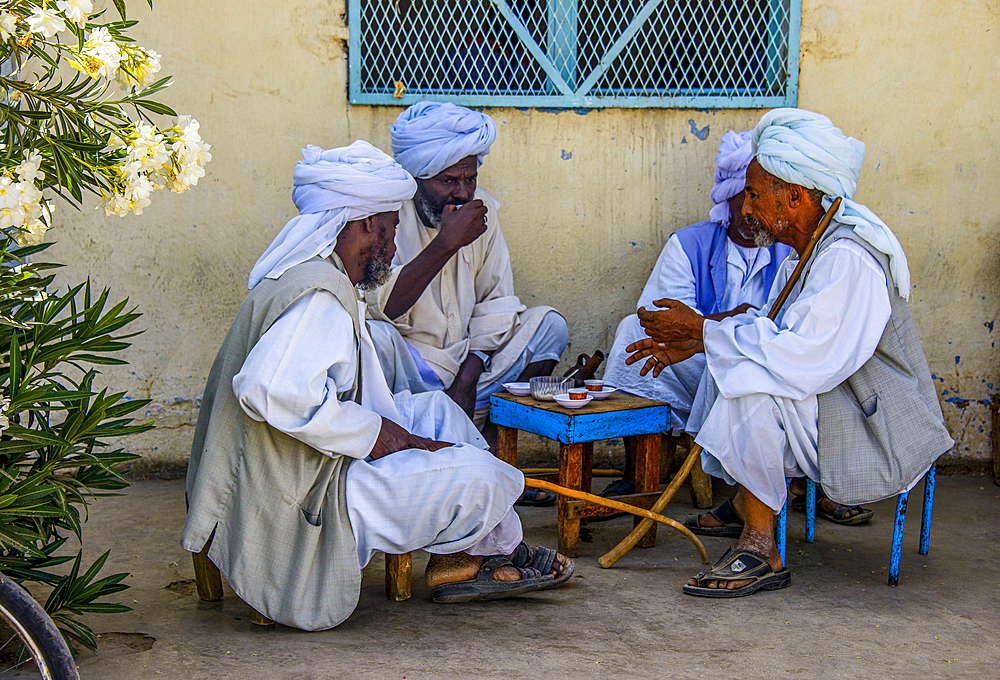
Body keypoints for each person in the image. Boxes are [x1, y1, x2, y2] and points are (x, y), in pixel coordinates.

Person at [181, 141, 573, 631]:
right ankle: (484, 549)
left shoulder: (317, 276)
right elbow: (267, 389)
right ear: (366, 223)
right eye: (388, 232)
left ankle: (477, 552)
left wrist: (388, 431)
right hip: (293, 492)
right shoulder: (319, 297)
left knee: (441, 415)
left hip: (298, 463)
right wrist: (373, 435)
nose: (390, 249)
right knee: (481, 476)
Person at [624, 109, 953, 598]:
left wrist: (703, 329)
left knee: (753, 388)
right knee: (742, 372)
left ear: (795, 195)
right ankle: (747, 506)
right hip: (833, 403)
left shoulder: (848, 258)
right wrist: (698, 341)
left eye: (755, 195)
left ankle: (761, 547)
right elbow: (767, 329)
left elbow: (800, 360)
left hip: (874, 422)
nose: (746, 208)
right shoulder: (807, 255)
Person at [366, 101, 570, 505]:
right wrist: (447, 243)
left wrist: (469, 375)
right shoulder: (387, 214)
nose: (461, 192)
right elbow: (381, 307)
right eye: (448, 181)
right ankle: (428, 460)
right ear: (418, 176)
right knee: (375, 337)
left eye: (469, 179)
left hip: (467, 377)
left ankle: (489, 451)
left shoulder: (484, 213)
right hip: (407, 378)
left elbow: (496, 301)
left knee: (549, 325)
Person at [600, 130, 792, 501]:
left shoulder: (789, 251)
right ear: (728, 201)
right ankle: (635, 472)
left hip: (758, 362)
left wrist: (728, 325)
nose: (752, 213)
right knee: (632, 332)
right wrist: (728, 320)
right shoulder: (688, 244)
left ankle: (793, 487)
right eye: (744, 200)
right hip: (697, 357)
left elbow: (785, 332)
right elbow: (663, 319)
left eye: (758, 200)